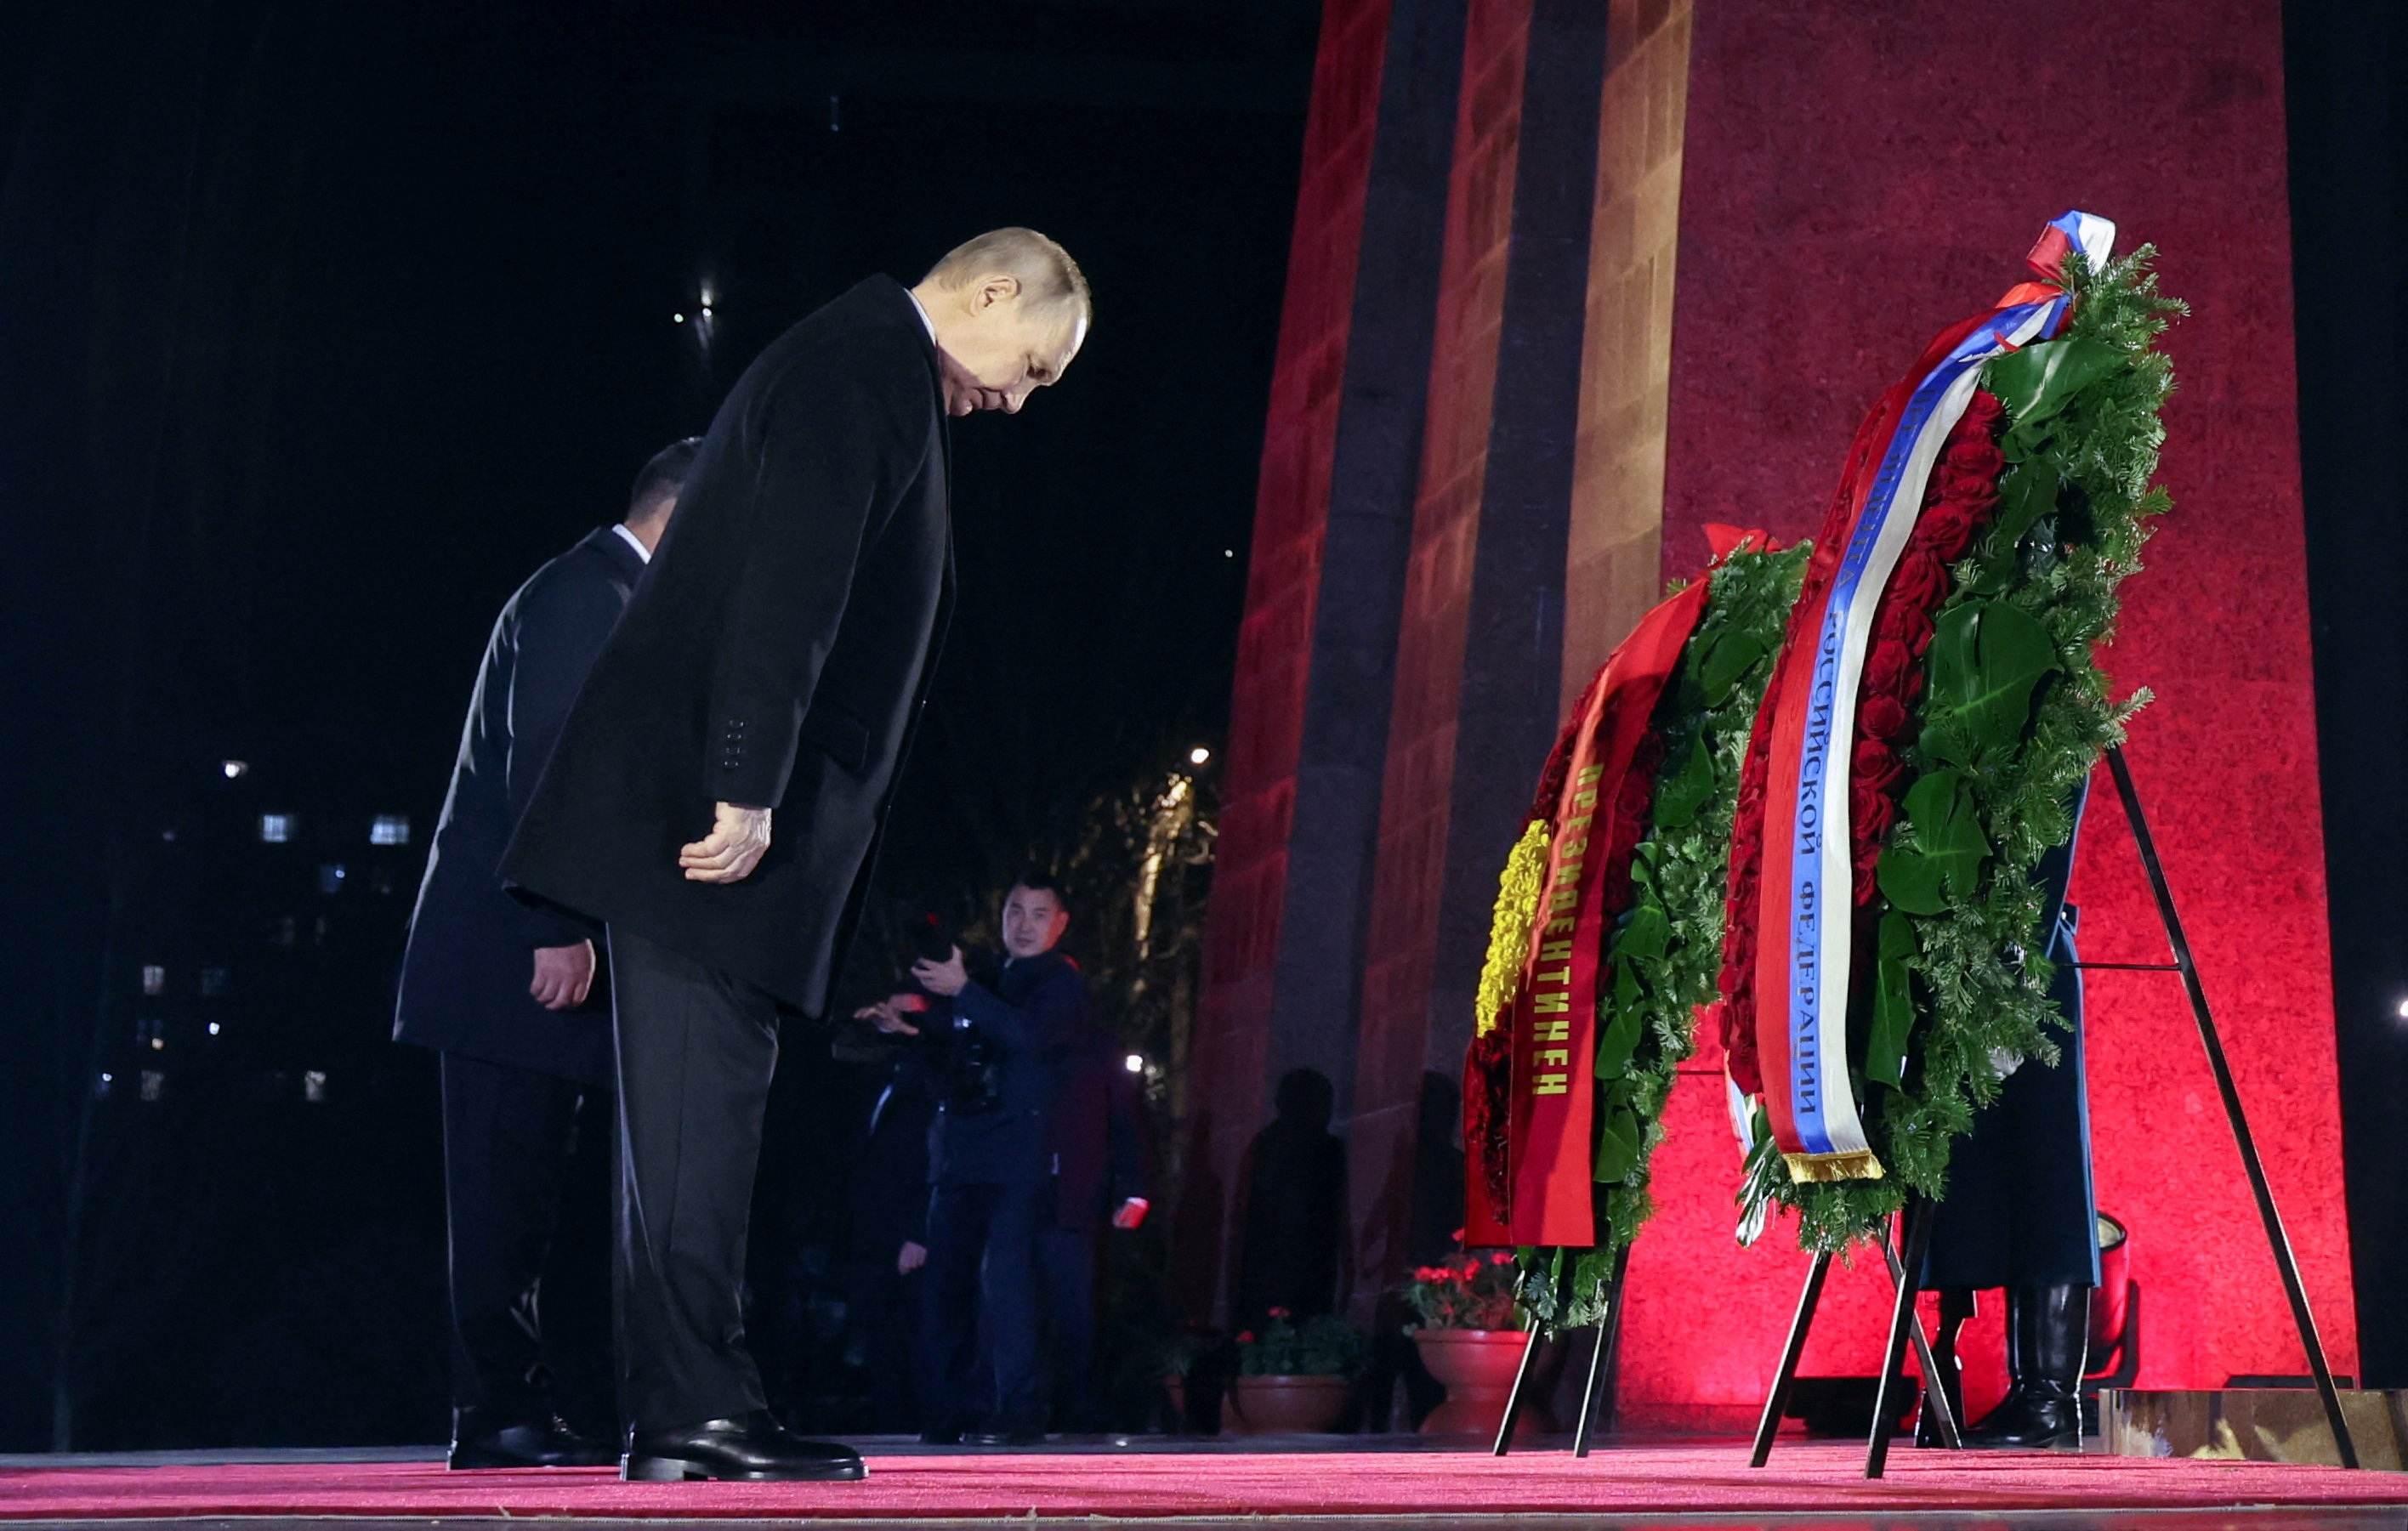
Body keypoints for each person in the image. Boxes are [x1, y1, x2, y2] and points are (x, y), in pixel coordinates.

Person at [503, 229, 1088, 1483]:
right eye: (1034, 366)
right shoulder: (861, 366)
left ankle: (688, 1411)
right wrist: (745, 784)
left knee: (690, 1127)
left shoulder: (863, 361)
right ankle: (692, 1414)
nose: (1021, 399)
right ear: (992, 294)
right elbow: (791, 587)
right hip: (702, 820)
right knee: (695, 1124)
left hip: (703, 817)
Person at [394, 438, 699, 1470]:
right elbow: (548, 766)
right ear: (681, 513)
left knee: (528, 1197)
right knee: (501, 1193)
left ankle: (520, 1404)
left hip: (530, 955)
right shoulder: (586, 594)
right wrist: (555, 924)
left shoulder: (600, 591)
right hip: (511, 960)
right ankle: (495, 1413)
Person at [860, 874, 1084, 1446]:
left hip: (1019, 1161)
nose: (1024, 925)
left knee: (1007, 1286)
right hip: (962, 1157)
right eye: (1015, 911)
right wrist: (906, 1030)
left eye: (1039, 914)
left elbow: (1028, 1037)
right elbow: (955, 1059)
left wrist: (964, 991)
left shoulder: (1060, 982)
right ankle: (950, 1410)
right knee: (945, 1289)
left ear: (1060, 924)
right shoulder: (987, 976)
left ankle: (1017, 1410)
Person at [1919, 782, 2099, 1450]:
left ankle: (2049, 1398)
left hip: (2024, 959)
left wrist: (2017, 965)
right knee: (1955, 1179)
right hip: (1953, 954)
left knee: (2044, 1174)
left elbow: (2049, 821)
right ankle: (1945, 1371)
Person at [1035, 1006, 1152, 1432]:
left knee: (1074, 1308)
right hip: (1015, 1195)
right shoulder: (1008, 1036)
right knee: (1014, 1305)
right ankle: (1021, 1403)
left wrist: (1135, 1190)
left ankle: (1077, 1406)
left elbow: (1124, 1121)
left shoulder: (1094, 1047)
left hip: (1073, 1198)